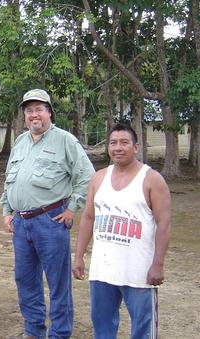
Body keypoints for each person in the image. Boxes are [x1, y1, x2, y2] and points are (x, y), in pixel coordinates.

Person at [0, 89, 95, 339]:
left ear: (49, 112)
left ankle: (60, 334)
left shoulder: (64, 140)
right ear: (24, 116)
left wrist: (73, 207)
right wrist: (7, 210)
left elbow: (87, 175)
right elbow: (10, 179)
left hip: (50, 221)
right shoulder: (20, 142)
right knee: (25, 280)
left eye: (39, 109)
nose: (34, 115)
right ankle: (33, 330)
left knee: (57, 283)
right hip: (21, 223)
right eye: (29, 111)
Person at [72, 123, 171, 339]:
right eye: (113, 143)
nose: (118, 147)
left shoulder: (151, 179)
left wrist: (158, 264)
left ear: (136, 147)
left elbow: (163, 223)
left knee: (143, 331)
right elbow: (88, 217)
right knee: (103, 328)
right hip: (103, 271)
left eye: (124, 143)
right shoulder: (98, 178)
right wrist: (79, 256)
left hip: (138, 272)